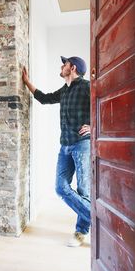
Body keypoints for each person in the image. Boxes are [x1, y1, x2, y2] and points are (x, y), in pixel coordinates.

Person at [22, 56, 91, 247]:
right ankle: (99, 219)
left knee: (84, 190)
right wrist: (27, 82)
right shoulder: (64, 90)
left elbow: (105, 104)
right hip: (65, 146)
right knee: (60, 187)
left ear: (73, 68)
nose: (62, 66)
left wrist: (94, 127)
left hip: (83, 144)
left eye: (65, 64)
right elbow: (44, 98)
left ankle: (80, 232)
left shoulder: (87, 87)